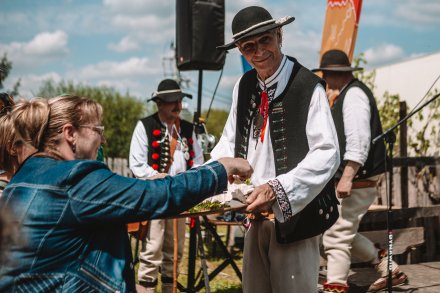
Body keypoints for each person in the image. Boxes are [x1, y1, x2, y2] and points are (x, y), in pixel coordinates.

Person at [0, 95, 252, 292]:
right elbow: (161, 196)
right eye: (98, 130)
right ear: (70, 134)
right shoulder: (75, 178)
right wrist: (221, 167)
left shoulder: (26, 174)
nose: (103, 139)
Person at [211, 6, 340, 293]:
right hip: (253, 214)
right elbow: (228, 143)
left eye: (265, 40)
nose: (258, 52)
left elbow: (327, 152)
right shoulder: (244, 87)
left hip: (295, 218)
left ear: (279, 36)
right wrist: (201, 177)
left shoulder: (307, 86)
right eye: (248, 47)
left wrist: (277, 188)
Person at [312, 49, 409, 292]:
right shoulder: (349, 94)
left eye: (326, 74)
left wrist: (347, 177)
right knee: (339, 230)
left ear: (335, 74)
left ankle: (336, 287)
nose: (325, 79)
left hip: (357, 178)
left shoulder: (353, 96)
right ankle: (387, 267)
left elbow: (359, 140)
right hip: (356, 177)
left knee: (336, 236)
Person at [129, 79, 204, 293]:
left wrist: (188, 183)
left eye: (179, 100)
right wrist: (161, 178)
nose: (178, 105)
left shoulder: (188, 129)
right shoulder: (145, 126)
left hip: (180, 196)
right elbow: (137, 164)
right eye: (173, 101)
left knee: (175, 251)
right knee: (152, 250)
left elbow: (198, 161)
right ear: (159, 103)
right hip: (156, 196)